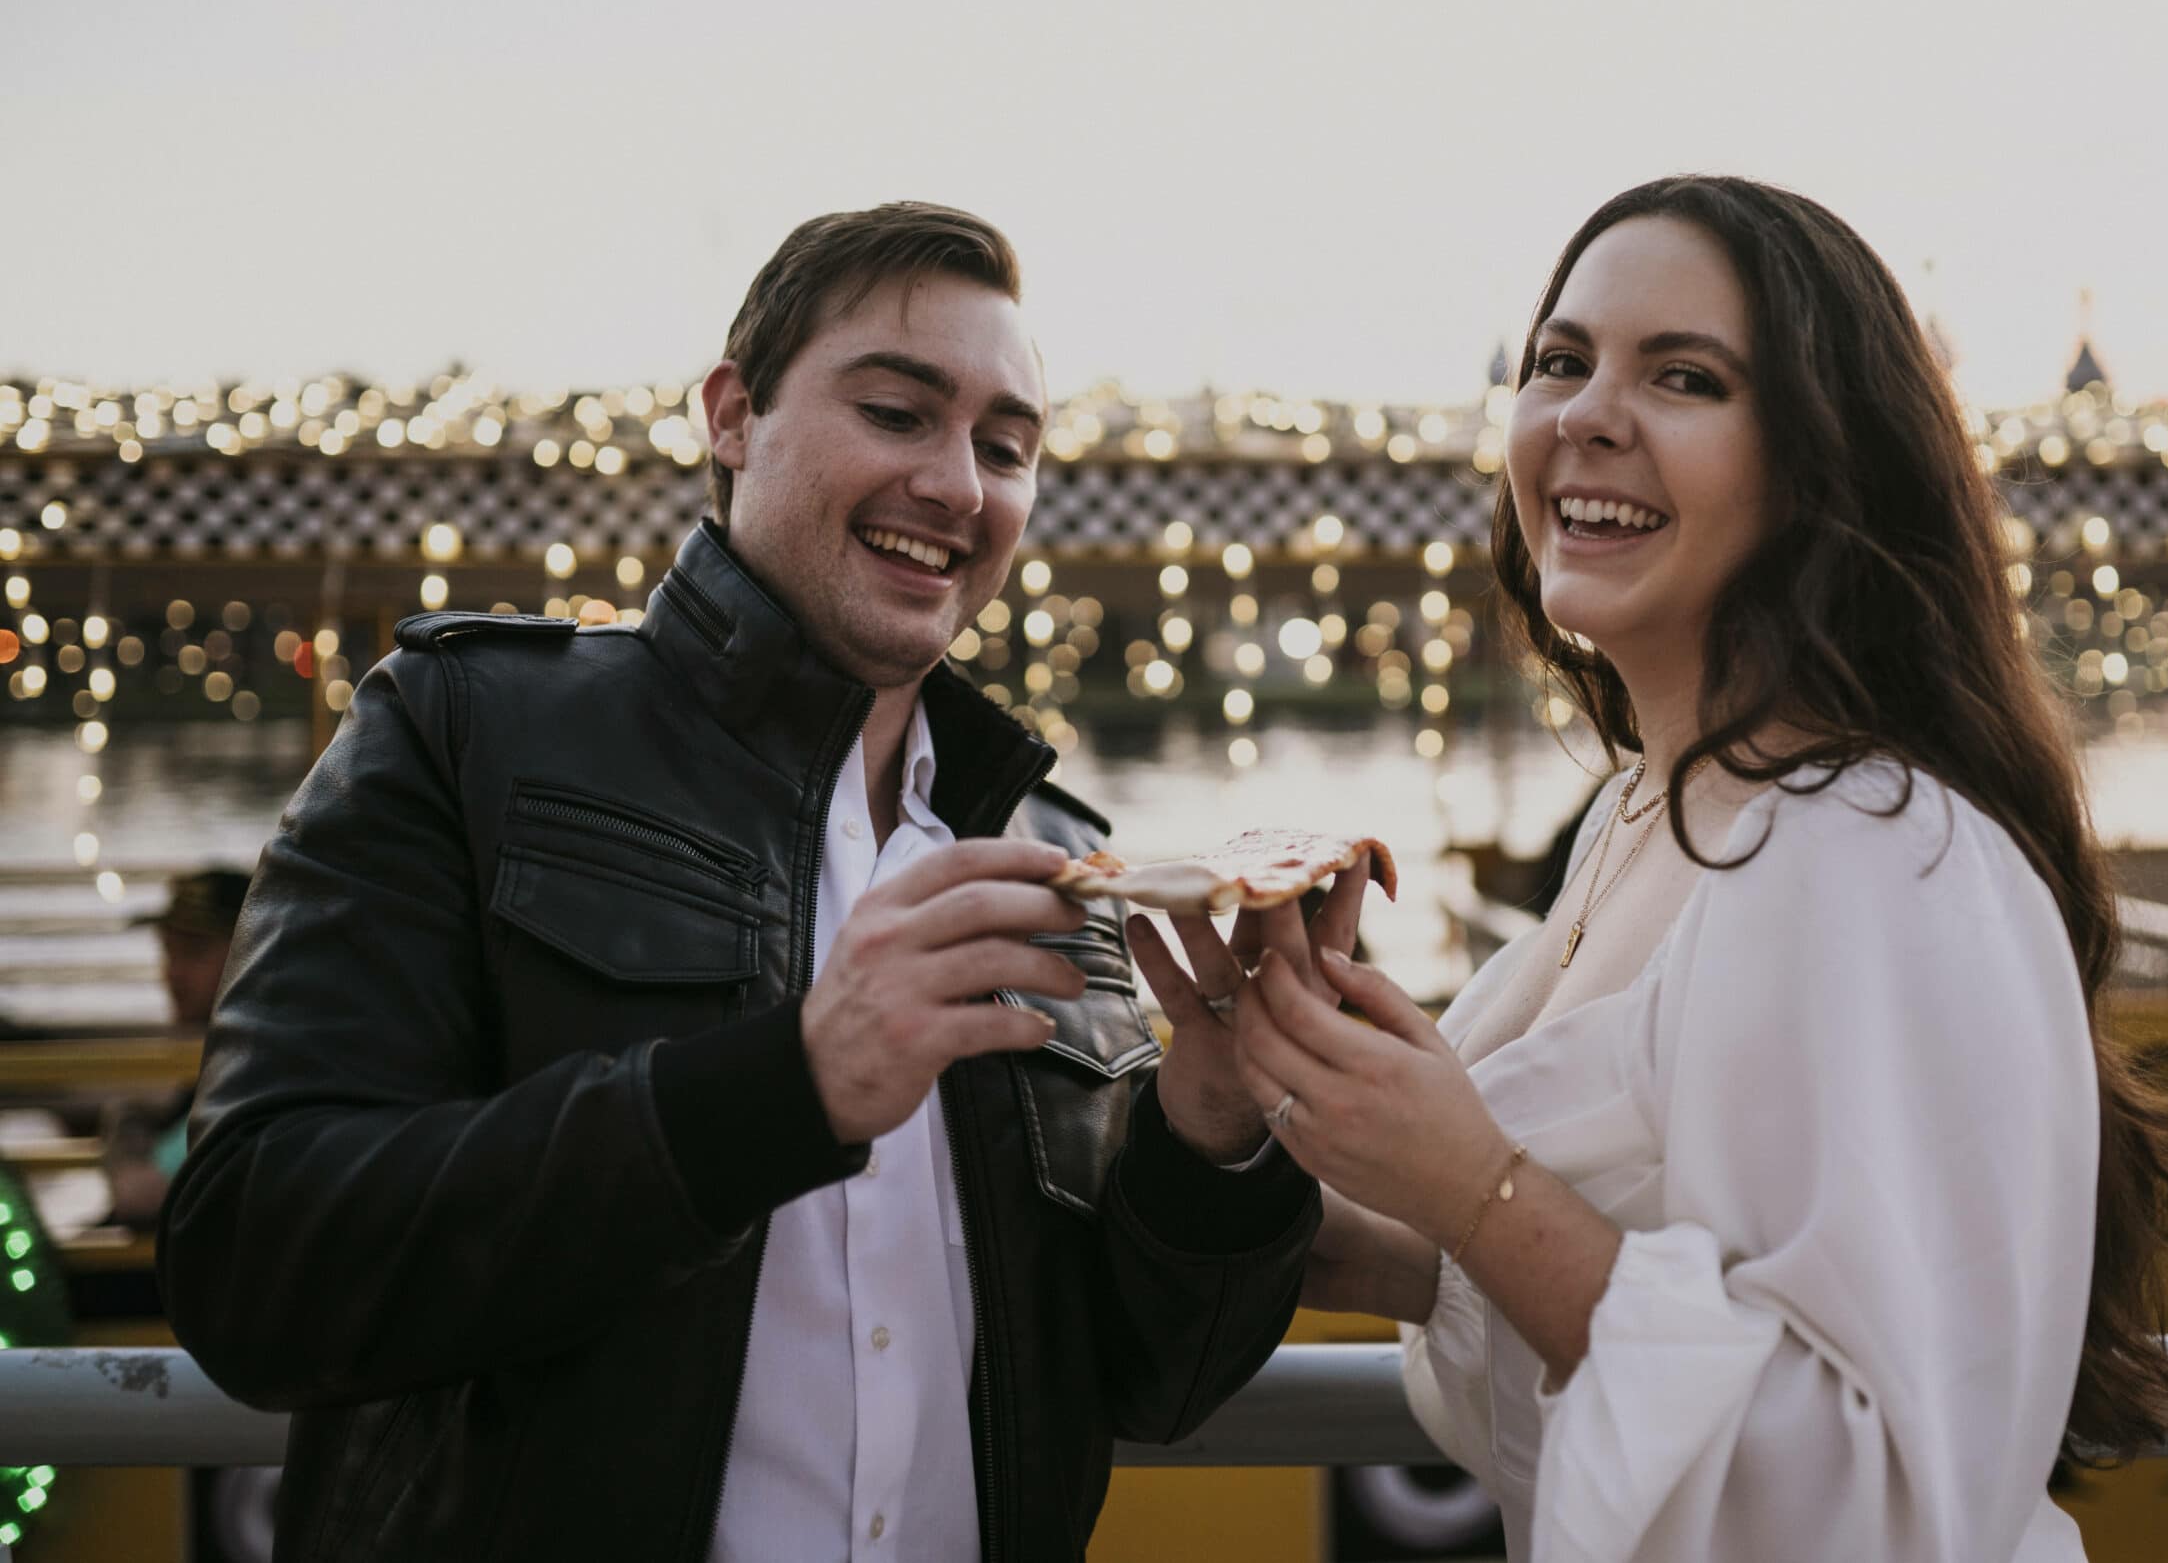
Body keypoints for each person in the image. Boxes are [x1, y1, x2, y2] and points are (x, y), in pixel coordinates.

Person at [159, 203, 1322, 1562]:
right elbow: (255, 1262)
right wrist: (788, 1088)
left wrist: (1215, 1138)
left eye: (1005, 447)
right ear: (732, 415)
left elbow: (1151, 1380)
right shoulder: (466, 730)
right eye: (897, 412)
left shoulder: (1059, 848)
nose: (958, 485)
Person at [1168, 176, 2168, 1561]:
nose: (1590, 413)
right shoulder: (1636, 812)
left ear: (1816, 465)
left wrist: (1472, 1175)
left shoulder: (1875, 853)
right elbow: (1554, 1283)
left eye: (1685, 377)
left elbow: (1880, 1497)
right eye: (1561, 361)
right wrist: (1245, 1113)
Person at [103, 866, 249, 1225]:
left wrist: (126, 1120)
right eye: (169, 951)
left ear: (253, 952)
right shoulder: (224, 1059)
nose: (173, 973)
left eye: (194, 952)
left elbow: (139, 1195)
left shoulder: (247, 1072)